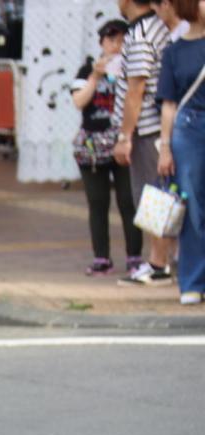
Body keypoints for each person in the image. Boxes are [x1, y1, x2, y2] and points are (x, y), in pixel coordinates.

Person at [72, 19, 144, 277]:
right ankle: (101, 257)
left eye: (122, 39)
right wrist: (95, 76)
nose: (116, 45)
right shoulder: (86, 70)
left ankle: (135, 256)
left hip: (123, 141)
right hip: (93, 144)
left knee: (128, 200)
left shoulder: (134, 68)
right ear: (101, 42)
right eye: (111, 40)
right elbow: (79, 101)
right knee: (97, 202)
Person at [114, 0, 174, 286]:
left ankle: (158, 264)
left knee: (152, 196)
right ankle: (161, 261)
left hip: (148, 129)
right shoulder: (156, 26)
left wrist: (125, 136)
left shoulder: (139, 36)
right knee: (158, 194)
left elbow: (135, 90)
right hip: (158, 128)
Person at [156, 0, 205, 304]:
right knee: (192, 207)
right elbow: (169, 104)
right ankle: (192, 281)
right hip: (187, 130)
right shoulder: (172, 53)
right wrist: (164, 148)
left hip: (190, 129)